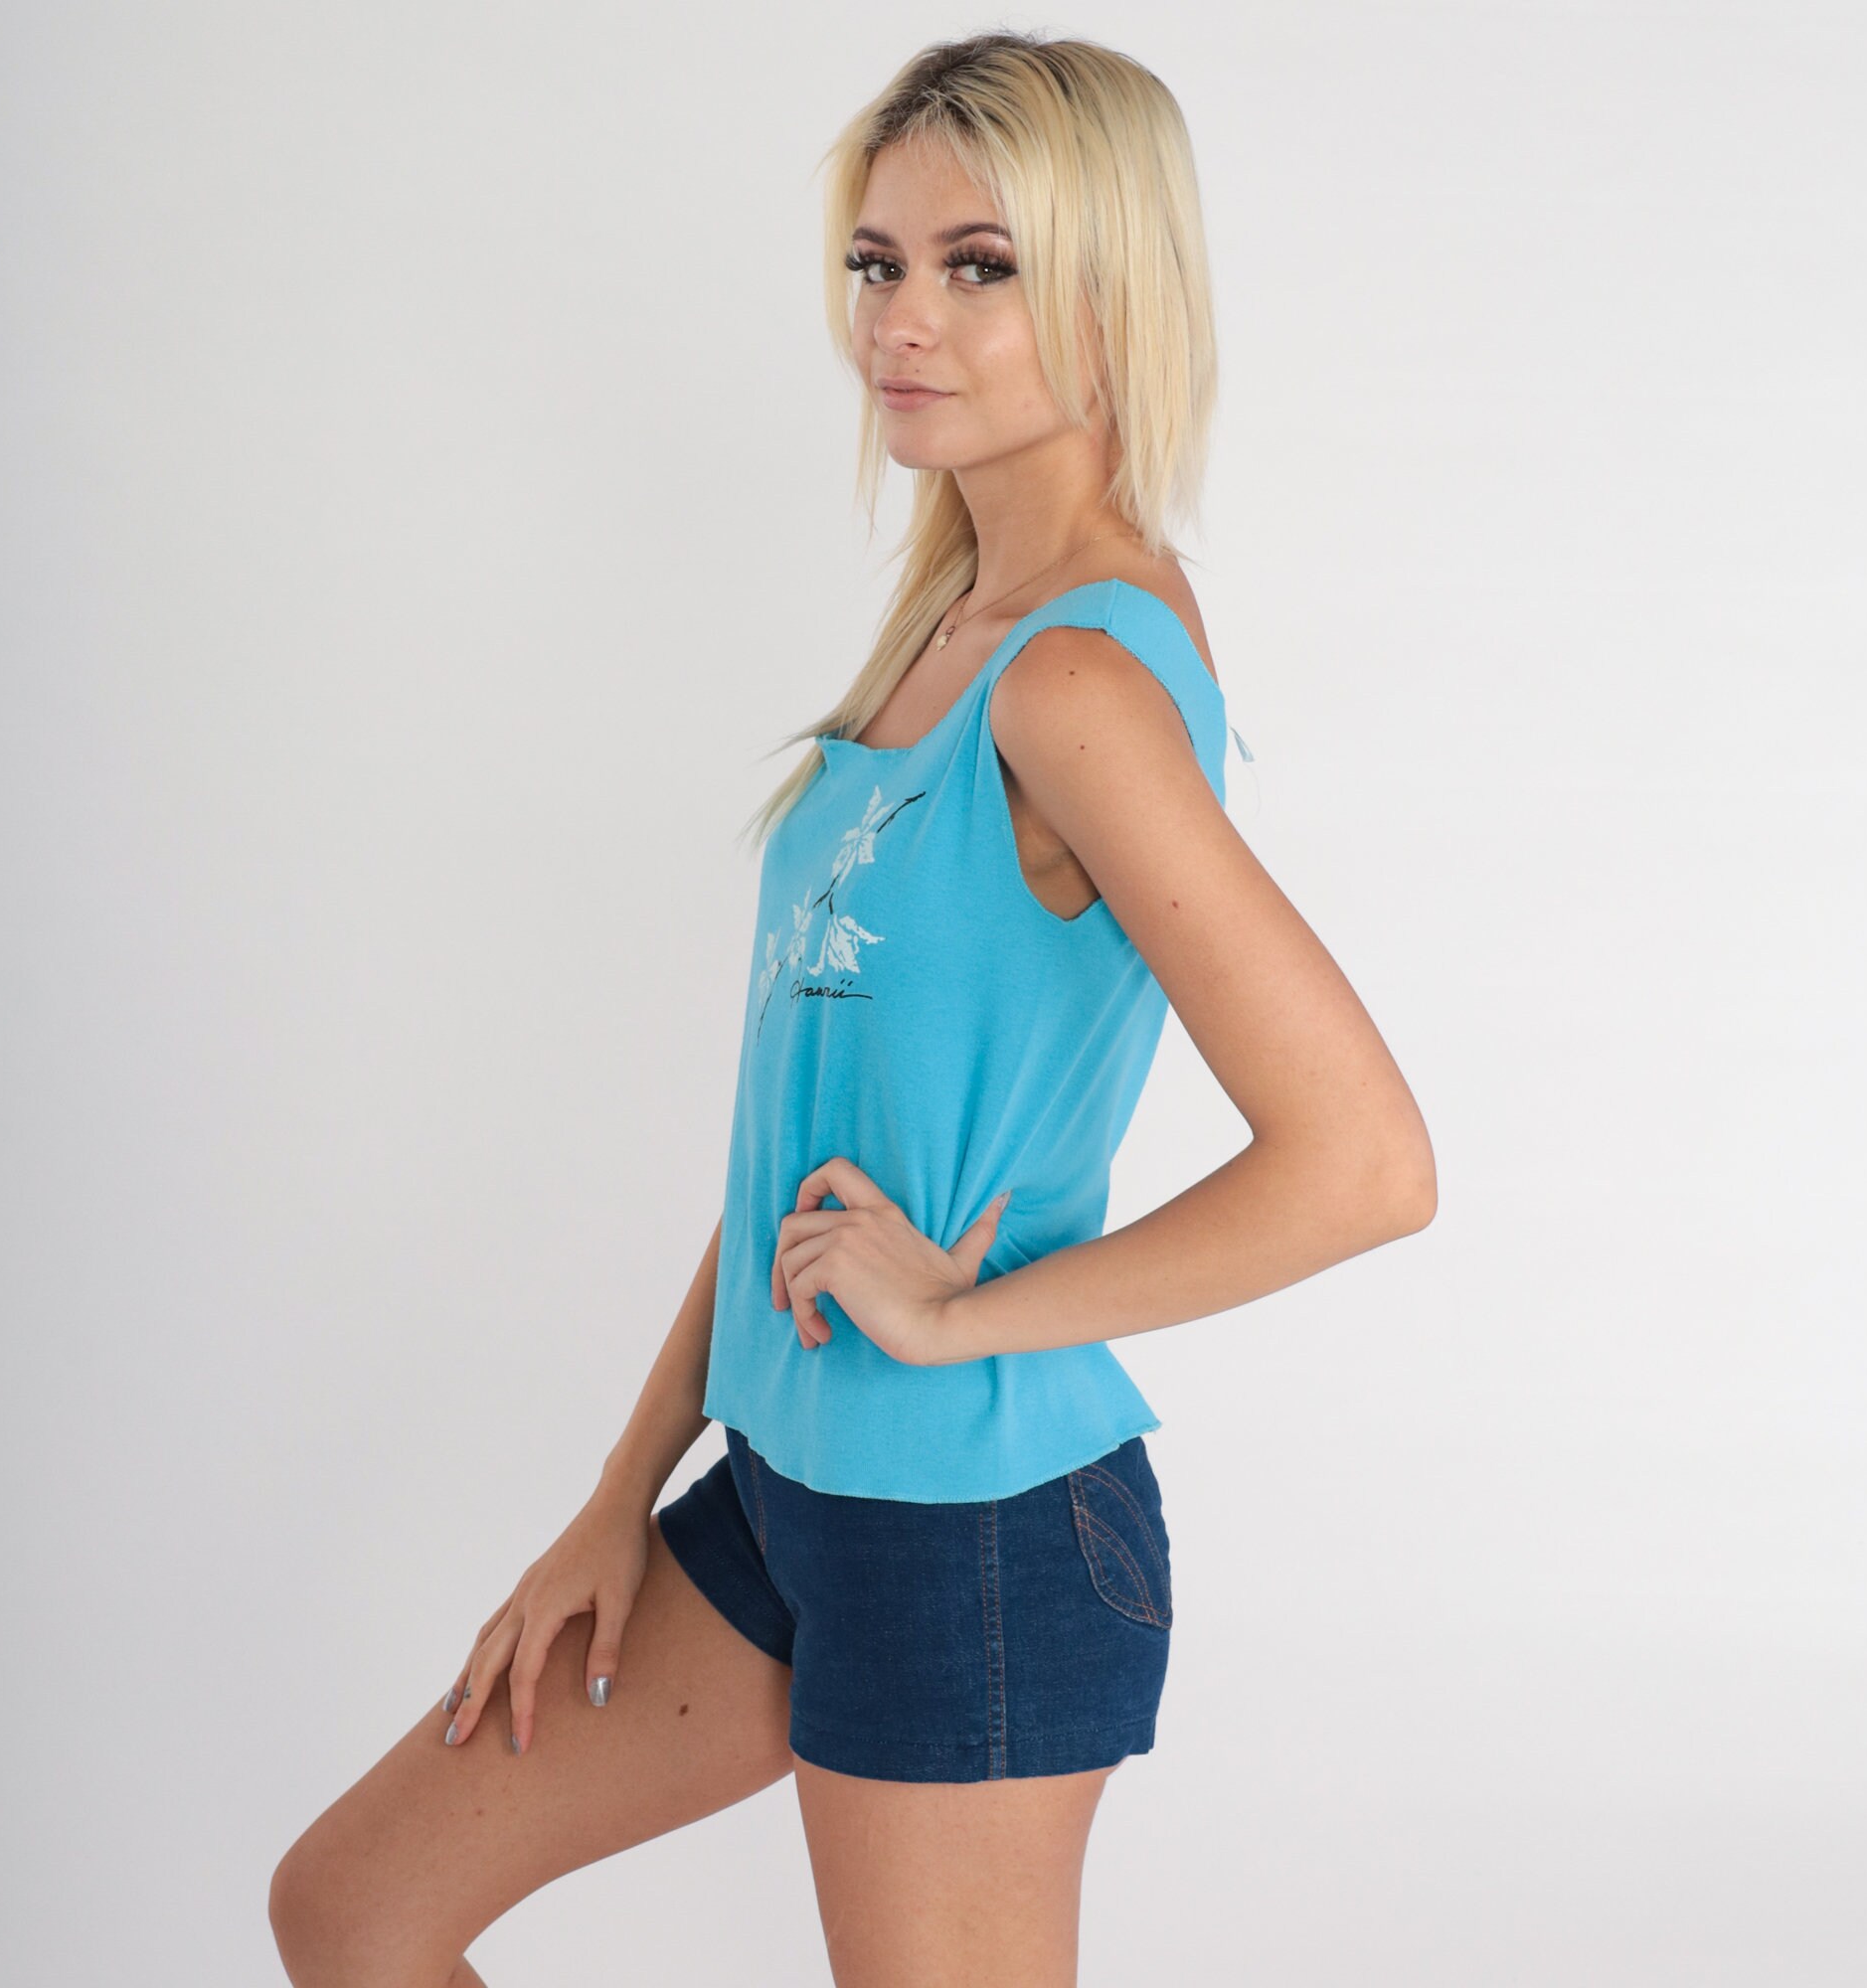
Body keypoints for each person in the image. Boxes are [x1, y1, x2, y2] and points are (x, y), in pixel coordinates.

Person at [270, 29, 1437, 1988]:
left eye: (980, 266)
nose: (902, 318)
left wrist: (962, 1315)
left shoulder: (1075, 684)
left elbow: (1367, 1164)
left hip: (974, 1521)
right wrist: (618, 1495)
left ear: (1111, 289)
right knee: (359, 1912)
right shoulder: (945, 643)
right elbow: (804, 1165)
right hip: (786, 1484)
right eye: (877, 263)